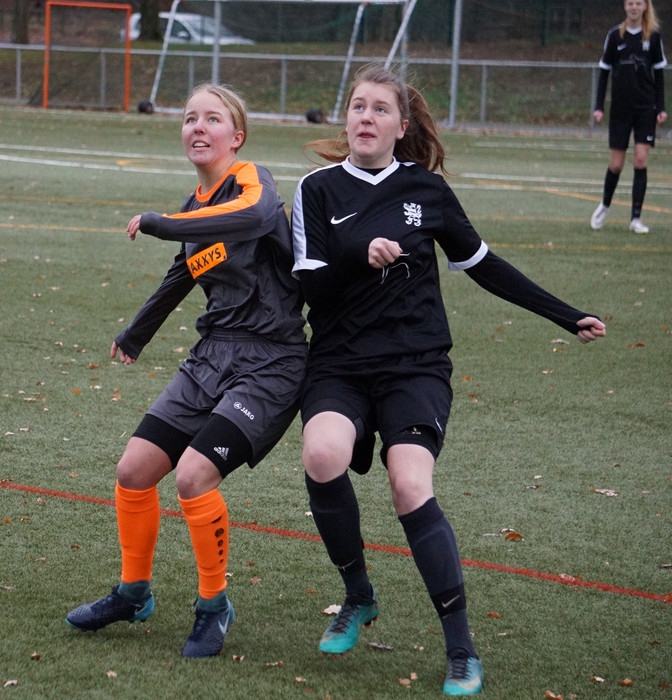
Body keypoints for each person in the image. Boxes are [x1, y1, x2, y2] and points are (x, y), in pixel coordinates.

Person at [291, 64, 606, 696]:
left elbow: (483, 265)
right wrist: (359, 254)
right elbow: (310, 287)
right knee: (322, 454)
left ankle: (461, 647)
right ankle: (359, 594)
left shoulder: (426, 190)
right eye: (358, 106)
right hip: (340, 363)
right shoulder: (316, 189)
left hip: (415, 363)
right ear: (346, 119)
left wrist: (564, 314)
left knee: (410, 484)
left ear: (401, 126)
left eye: (380, 109)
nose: (366, 117)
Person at [65, 84, 307, 658]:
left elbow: (256, 216)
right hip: (211, 357)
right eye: (190, 118)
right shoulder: (195, 210)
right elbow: (181, 276)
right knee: (133, 470)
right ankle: (133, 593)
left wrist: (160, 221)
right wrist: (135, 334)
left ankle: (214, 605)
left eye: (212, 119)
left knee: (194, 477)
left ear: (236, 136)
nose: (198, 127)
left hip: (271, 362)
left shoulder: (252, 181)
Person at [590, 0, 667, 234]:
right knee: (616, 164)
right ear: (625, 6)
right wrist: (599, 106)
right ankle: (605, 205)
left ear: (645, 7)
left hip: (645, 109)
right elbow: (604, 71)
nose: (634, 7)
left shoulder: (653, 37)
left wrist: (661, 108)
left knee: (641, 161)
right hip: (620, 110)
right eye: (630, 3)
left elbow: (659, 75)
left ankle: (636, 218)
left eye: (638, 3)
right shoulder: (615, 36)